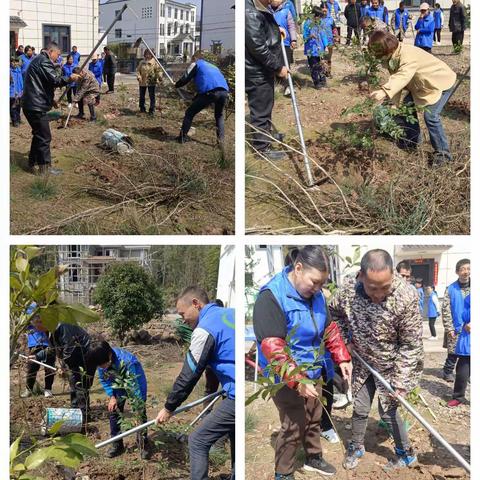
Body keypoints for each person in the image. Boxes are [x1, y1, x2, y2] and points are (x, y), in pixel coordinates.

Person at [253, 246, 352, 479]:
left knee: (314, 414)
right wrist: (297, 380)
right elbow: (273, 348)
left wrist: (342, 356)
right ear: (298, 268)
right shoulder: (271, 297)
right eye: (314, 282)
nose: (318, 289)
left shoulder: (316, 296)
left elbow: (328, 328)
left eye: (322, 283)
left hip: (313, 368)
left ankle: (313, 457)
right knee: (294, 423)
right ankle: (284, 472)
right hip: (284, 375)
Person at [330, 249, 423, 472]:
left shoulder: (406, 296)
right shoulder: (348, 290)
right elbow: (333, 314)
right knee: (360, 408)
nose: (379, 293)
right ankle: (356, 446)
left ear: (393, 275)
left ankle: (405, 454)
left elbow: (411, 345)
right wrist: (345, 341)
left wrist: (400, 382)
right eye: (373, 288)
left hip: (391, 366)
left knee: (388, 412)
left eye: (385, 287)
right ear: (361, 276)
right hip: (362, 362)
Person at [155, 286, 235, 480]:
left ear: (196, 304)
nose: (182, 319)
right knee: (235, 431)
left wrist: (168, 407)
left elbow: (189, 374)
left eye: (183, 314)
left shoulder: (203, 330)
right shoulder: (230, 313)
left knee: (197, 440)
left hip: (237, 394)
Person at [368, 31, 457, 166]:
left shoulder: (407, 55)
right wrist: (394, 103)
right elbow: (396, 79)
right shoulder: (393, 56)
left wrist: (384, 91)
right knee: (406, 108)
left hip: (440, 83)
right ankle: (412, 141)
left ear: (387, 50)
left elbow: (403, 76)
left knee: (431, 117)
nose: (379, 58)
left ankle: (443, 155)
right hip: (422, 86)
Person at [87, 339, 152, 459]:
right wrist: (112, 396)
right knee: (114, 411)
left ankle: (143, 444)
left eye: (103, 364)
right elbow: (104, 380)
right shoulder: (102, 363)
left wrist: (137, 404)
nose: (102, 367)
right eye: (100, 366)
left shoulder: (127, 362)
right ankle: (117, 444)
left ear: (109, 354)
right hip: (117, 385)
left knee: (140, 412)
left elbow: (134, 386)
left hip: (135, 382)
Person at [22, 42, 79, 175]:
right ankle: (45, 168)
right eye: (58, 55)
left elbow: (42, 84)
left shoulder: (39, 60)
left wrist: (51, 100)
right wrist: (69, 78)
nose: (58, 58)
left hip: (32, 104)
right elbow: (55, 80)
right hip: (36, 107)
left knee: (38, 135)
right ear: (51, 51)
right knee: (44, 136)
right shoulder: (44, 61)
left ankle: (32, 162)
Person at [31, 316, 94, 424]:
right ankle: (75, 411)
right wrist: (37, 356)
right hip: (75, 356)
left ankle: (84, 415)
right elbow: (53, 349)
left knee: (80, 385)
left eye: (37, 326)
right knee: (74, 383)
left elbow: (69, 347)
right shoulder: (51, 331)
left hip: (85, 355)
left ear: (43, 322)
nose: (37, 330)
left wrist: (63, 366)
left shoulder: (63, 326)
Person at [246, 0, 288, 160]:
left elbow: (260, 31)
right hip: (256, 71)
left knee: (265, 105)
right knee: (261, 109)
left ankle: (264, 136)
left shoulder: (257, 7)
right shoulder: (249, 11)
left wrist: (276, 30)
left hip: (261, 70)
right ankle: (261, 149)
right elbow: (258, 47)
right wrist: (278, 67)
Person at [174, 51, 229, 145]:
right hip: (224, 92)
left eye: (192, 59)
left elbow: (185, 78)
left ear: (195, 58)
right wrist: (195, 98)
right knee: (219, 116)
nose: (191, 61)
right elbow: (208, 82)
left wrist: (176, 85)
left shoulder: (196, 64)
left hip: (210, 92)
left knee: (189, 113)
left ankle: (182, 138)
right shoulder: (213, 66)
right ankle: (221, 143)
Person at [441, 259, 470, 382]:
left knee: (470, 352)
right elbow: (445, 309)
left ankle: (467, 373)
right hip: (456, 327)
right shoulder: (451, 289)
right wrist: (449, 328)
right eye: (463, 269)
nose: (466, 272)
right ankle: (447, 371)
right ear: (457, 272)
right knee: (452, 353)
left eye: (468, 268)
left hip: (470, 328)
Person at [21, 313, 56, 398]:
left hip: (49, 343)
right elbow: (22, 325)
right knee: (32, 367)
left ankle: (48, 390)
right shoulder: (29, 308)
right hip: (34, 344)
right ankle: (29, 390)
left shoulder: (48, 308)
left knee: (49, 367)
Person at [447, 294, 470, 408]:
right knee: (462, 371)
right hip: (468, 340)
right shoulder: (469, 298)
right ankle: (458, 397)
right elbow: (464, 315)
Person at [272, 0, 297, 97]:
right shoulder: (267, 11)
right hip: (272, 43)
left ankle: (288, 86)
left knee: (286, 63)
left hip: (285, 42)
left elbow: (291, 26)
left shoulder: (286, 11)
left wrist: (293, 39)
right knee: (274, 62)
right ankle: (277, 84)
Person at [303, 7, 330, 89]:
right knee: (314, 66)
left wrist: (326, 45)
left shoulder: (321, 23)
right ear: (314, 15)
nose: (319, 18)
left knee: (322, 65)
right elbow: (304, 37)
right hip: (311, 49)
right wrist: (310, 36)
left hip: (320, 48)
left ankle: (323, 80)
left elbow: (324, 35)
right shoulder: (307, 23)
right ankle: (316, 82)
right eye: (318, 16)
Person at [136, 49, 161, 115]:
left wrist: (159, 78)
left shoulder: (155, 62)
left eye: (149, 54)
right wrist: (139, 76)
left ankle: (152, 109)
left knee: (152, 96)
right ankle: (142, 108)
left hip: (151, 81)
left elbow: (158, 71)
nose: (148, 55)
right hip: (142, 81)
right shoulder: (141, 62)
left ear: (152, 54)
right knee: (142, 95)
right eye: (146, 53)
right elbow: (138, 70)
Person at [320, 2, 338, 77]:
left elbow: (334, 28)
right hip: (320, 41)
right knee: (322, 57)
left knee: (329, 57)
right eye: (323, 8)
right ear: (320, 9)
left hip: (329, 40)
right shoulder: (318, 18)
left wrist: (336, 36)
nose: (324, 10)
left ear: (327, 9)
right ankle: (323, 72)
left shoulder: (330, 19)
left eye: (326, 8)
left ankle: (329, 71)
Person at [10, 57, 23, 127]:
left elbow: (21, 81)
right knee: (13, 107)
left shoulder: (19, 70)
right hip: (12, 93)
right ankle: (14, 121)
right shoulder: (9, 71)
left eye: (16, 62)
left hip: (19, 92)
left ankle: (18, 119)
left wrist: (22, 89)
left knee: (18, 106)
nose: (15, 63)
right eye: (13, 62)